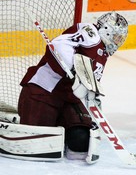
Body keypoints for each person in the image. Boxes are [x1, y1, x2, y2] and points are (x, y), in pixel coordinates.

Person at [17, 12, 128, 161]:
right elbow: (58, 45)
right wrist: (75, 70)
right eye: (116, 36)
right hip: (45, 91)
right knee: (39, 144)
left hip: (70, 99)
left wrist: (92, 99)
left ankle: (58, 124)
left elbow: (90, 84)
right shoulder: (91, 33)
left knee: (81, 140)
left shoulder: (103, 55)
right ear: (106, 29)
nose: (117, 41)